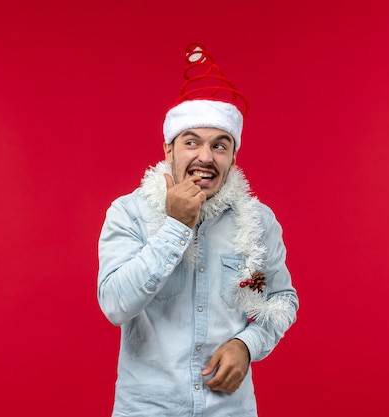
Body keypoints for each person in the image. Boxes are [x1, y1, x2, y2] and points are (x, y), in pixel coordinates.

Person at [97, 43, 299, 416]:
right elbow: (114, 305)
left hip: (229, 409)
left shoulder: (258, 221)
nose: (205, 157)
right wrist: (176, 226)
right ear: (168, 150)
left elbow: (282, 299)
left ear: (233, 158)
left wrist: (247, 344)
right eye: (191, 142)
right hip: (146, 408)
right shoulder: (128, 214)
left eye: (220, 146)